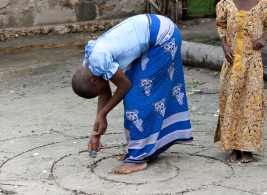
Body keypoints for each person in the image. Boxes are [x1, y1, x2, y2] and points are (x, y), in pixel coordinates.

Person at [72, 14, 193, 174]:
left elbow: (123, 86)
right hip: (154, 33)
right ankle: (144, 150)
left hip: (163, 38)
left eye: (99, 88)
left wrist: (104, 113)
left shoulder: (98, 61)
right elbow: (104, 90)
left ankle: (138, 159)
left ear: (93, 81)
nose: (103, 88)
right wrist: (98, 127)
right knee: (136, 95)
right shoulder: (90, 64)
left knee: (135, 99)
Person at [214, 0, 267, 163]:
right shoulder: (226, 0)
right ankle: (233, 148)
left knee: (251, 105)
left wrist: (263, 38)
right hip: (232, 62)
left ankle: (248, 150)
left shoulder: (263, 2)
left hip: (252, 64)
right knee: (231, 103)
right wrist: (224, 45)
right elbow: (221, 25)